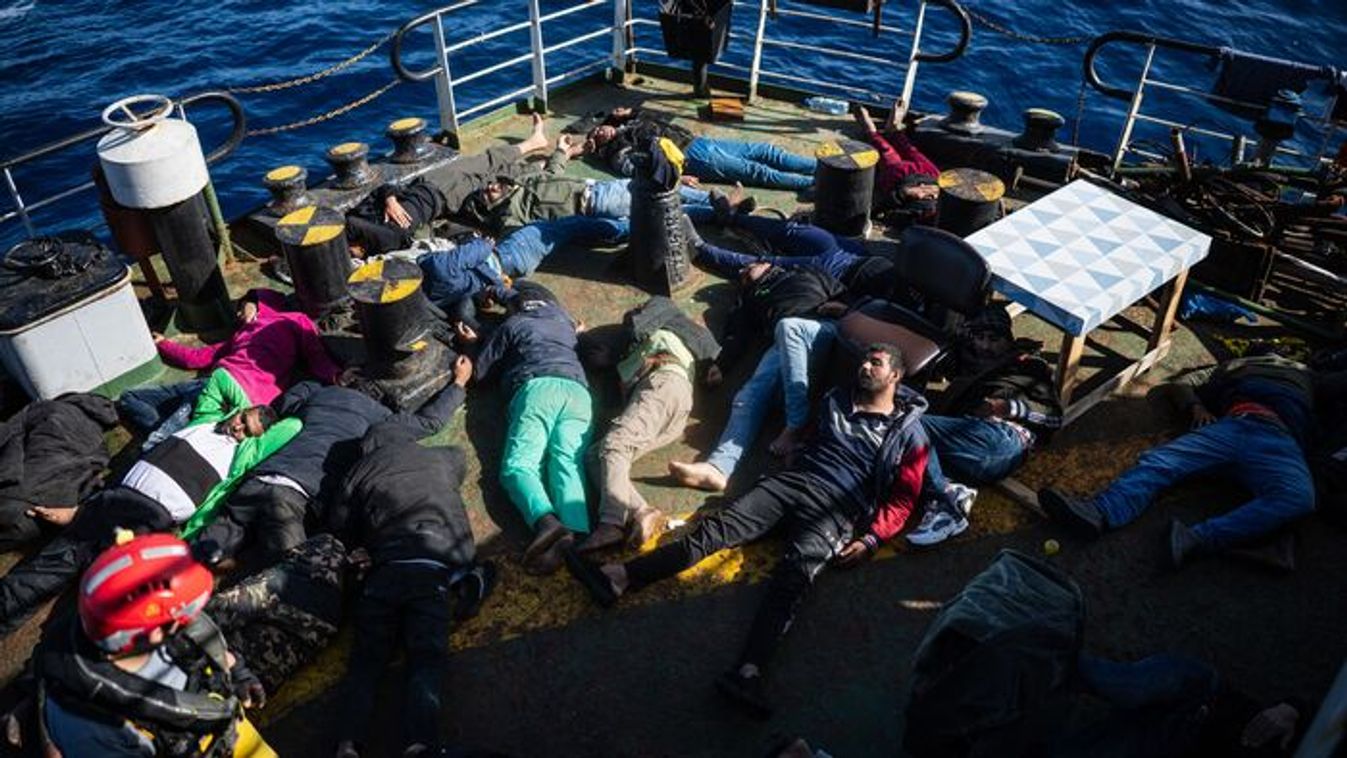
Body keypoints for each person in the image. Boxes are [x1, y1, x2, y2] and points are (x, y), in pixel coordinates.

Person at [568, 344, 929, 718]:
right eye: (865, 359)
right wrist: (792, 453)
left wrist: (871, 538)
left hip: (835, 510)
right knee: (714, 531)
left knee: (792, 581)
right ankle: (618, 576)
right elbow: (810, 435)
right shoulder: (837, 398)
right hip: (791, 483)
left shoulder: (908, 434)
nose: (865, 366)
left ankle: (747, 673)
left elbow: (904, 499)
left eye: (876, 363)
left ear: (895, 376)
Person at [0, 383, 299, 633]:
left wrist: (253, 428)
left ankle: (71, 650)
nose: (238, 428)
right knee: (51, 565)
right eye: (241, 420)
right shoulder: (206, 417)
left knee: (109, 591)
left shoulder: (244, 453)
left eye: (246, 430)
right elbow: (220, 379)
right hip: (114, 500)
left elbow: (293, 426)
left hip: (150, 519)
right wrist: (244, 408)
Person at [1038, 354, 1347, 567]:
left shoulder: (1310, 377)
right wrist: (1195, 407)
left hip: (1280, 438)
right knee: (1162, 461)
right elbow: (1182, 383)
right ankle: (1101, 511)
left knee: (1299, 497)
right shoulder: (1231, 367)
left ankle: (1198, 539)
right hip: (1233, 424)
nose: (1277, 359)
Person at [193, 356, 472, 566]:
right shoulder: (383, 419)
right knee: (290, 575)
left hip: (258, 480)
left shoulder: (319, 392)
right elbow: (429, 421)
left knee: (205, 548)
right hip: (293, 497)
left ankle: (179, 574)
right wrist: (459, 383)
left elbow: (282, 407)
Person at [328, 412, 492, 758]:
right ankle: (419, 744)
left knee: (366, 663)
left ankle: (348, 744)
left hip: (384, 570)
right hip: (436, 566)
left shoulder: (360, 470)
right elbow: (460, 459)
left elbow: (339, 523)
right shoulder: (439, 457)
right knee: (425, 659)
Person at [33, 533, 269, 756]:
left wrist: (238, 673)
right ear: (155, 633)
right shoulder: (96, 730)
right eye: (186, 616)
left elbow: (207, 644)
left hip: (225, 725)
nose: (191, 620)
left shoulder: (144, 626)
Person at [668, 261, 849, 493]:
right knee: (748, 396)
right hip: (783, 345)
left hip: (822, 327)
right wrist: (721, 365)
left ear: (766, 264)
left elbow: (843, 291)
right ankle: (718, 468)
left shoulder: (806, 271)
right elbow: (738, 335)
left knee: (789, 327)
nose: (742, 271)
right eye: (742, 274)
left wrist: (843, 307)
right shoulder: (750, 299)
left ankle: (796, 424)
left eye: (748, 266)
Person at [457, 281, 593, 574]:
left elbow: (480, 374)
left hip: (537, 388)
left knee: (518, 467)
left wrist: (472, 342)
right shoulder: (564, 321)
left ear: (514, 309)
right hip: (579, 394)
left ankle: (546, 523)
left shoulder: (514, 324)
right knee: (567, 463)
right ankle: (575, 538)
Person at [577, 297, 722, 553]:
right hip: (671, 404)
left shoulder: (662, 314)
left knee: (615, 444)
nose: (630, 319)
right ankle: (641, 511)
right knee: (594, 456)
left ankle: (611, 522)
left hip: (661, 384)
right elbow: (599, 358)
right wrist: (582, 337)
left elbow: (641, 325)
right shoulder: (681, 341)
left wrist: (583, 336)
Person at [118, 289, 341, 448]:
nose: (238, 314)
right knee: (129, 398)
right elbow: (197, 358)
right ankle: (174, 436)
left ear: (259, 304)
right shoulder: (240, 335)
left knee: (167, 432)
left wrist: (335, 375)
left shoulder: (294, 320)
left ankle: (159, 447)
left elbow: (316, 354)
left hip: (231, 388)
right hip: (218, 387)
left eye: (241, 307)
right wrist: (163, 343)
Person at [906, 344, 1062, 546]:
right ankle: (950, 499)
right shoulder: (972, 378)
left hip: (1001, 439)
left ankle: (944, 497)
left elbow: (1055, 419)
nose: (983, 345)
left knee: (909, 424)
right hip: (971, 456)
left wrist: (1009, 407)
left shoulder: (1031, 371)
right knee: (905, 448)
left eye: (989, 340)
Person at [344, 113, 554, 255]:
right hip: (444, 194)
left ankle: (539, 155)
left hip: (429, 185)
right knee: (488, 170)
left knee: (487, 169)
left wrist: (390, 200)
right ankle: (540, 156)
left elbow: (382, 189)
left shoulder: (373, 225)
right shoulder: (387, 239)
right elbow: (352, 225)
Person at [579, 106, 818, 191]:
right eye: (597, 136)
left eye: (599, 128)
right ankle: (813, 183)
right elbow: (639, 171)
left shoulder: (627, 125)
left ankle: (819, 167)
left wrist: (630, 112)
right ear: (599, 146)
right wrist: (677, 178)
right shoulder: (616, 153)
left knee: (766, 151)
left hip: (698, 141)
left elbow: (660, 118)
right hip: (690, 157)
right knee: (756, 171)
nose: (601, 131)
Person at [683, 213, 903, 303]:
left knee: (765, 264)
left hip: (836, 274)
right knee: (792, 229)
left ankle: (702, 250)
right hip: (854, 253)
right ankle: (731, 217)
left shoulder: (904, 306)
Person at [854, 100, 940, 227]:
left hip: (902, 180)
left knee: (887, 153)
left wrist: (905, 192)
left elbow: (891, 211)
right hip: (933, 177)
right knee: (910, 150)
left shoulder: (918, 215)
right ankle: (893, 130)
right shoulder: (947, 213)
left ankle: (871, 131)